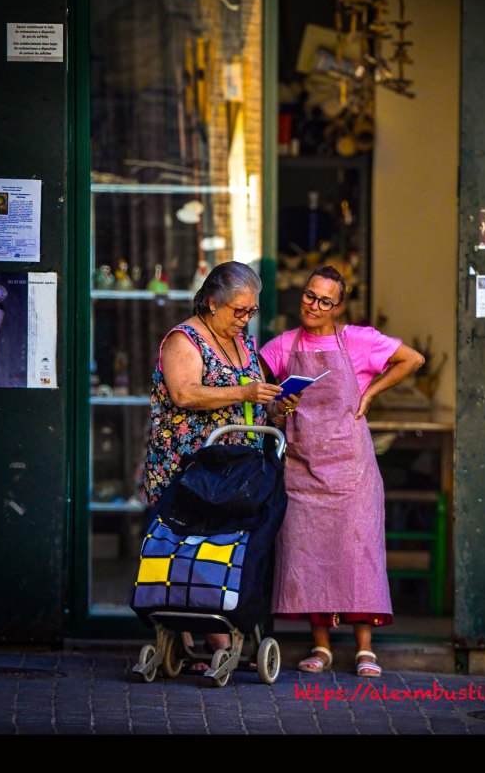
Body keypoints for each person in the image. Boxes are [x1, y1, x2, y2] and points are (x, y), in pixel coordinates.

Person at [259, 265, 425, 678]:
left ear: (340, 306)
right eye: (309, 296)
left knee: (358, 553)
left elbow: (412, 359)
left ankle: (365, 648)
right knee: (309, 554)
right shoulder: (281, 346)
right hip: (302, 468)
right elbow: (260, 396)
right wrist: (280, 407)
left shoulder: (360, 340)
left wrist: (371, 391)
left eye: (325, 301)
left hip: (351, 471)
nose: (314, 306)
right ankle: (321, 645)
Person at [140, 261, 293, 663]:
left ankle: (216, 626)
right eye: (238, 310)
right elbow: (185, 393)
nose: (245, 319)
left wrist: (276, 410)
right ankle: (193, 632)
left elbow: (250, 401)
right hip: (190, 467)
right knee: (187, 546)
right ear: (211, 303)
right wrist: (244, 393)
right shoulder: (184, 339)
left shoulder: (245, 343)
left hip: (231, 469)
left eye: (251, 311)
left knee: (222, 546)